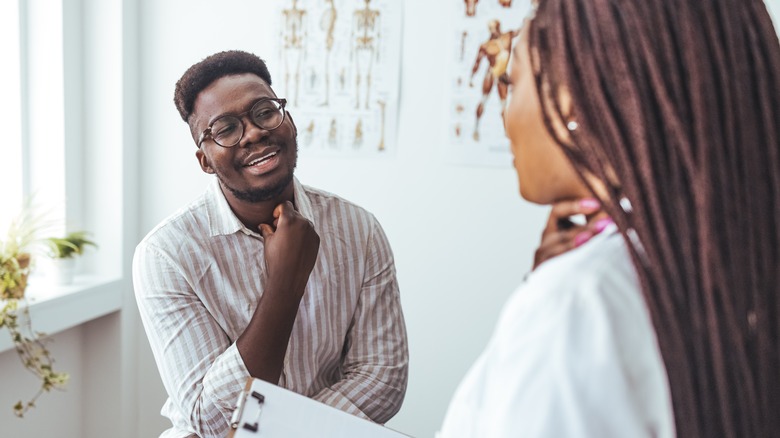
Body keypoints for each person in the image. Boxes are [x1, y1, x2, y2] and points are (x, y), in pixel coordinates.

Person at [439, 0, 780, 436]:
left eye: (513, 80)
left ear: (570, 104)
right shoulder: (738, 263)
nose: (506, 119)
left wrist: (561, 288)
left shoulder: (578, 304)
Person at [132, 50, 408, 438]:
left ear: (288, 120)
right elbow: (207, 419)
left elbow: (383, 379)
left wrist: (271, 429)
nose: (255, 132)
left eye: (264, 111)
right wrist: (283, 284)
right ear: (206, 161)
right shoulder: (167, 255)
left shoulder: (358, 229)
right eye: (226, 129)